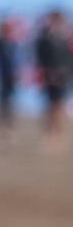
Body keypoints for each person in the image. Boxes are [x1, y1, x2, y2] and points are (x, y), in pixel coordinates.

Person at [34, 8, 71, 152]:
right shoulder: (43, 38)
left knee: (58, 106)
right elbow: (40, 59)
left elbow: (69, 59)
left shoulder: (65, 38)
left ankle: (57, 134)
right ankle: (49, 134)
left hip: (62, 78)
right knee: (49, 106)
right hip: (48, 78)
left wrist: (65, 74)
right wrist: (47, 74)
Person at [0, 16, 19, 150]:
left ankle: (10, 134)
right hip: (0, 80)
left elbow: (16, 63)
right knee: (2, 108)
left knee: (10, 108)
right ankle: (0, 133)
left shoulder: (13, 44)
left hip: (11, 80)